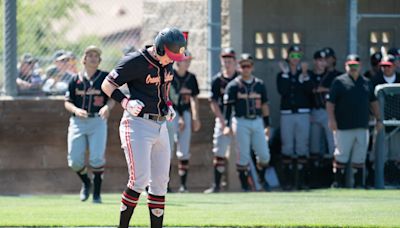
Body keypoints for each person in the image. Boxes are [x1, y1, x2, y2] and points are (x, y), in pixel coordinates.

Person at [101, 27, 186, 228]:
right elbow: (107, 84)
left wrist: (169, 105)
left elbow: (162, 90)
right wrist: (125, 102)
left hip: (161, 125)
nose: (172, 59)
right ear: (159, 48)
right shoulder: (135, 61)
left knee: (160, 183)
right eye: (171, 54)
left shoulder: (168, 62)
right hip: (137, 124)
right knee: (139, 180)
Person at [64, 46, 115, 203]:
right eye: (90, 55)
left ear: (99, 60)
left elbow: (113, 97)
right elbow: (67, 102)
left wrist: (107, 107)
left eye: (96, 56)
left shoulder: (105, 78)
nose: (93, 58)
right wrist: (76, 110)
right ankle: (87, 182)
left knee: (97, 158)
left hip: (97, 121)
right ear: (84, 59)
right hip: (78, 121)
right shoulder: (74, 79)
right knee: (74, 161)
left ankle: (97, 195)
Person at [327, 54, 383, 188]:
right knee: (341, 155)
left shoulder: (366, 82)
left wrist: (378, 119)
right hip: (343, 126)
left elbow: (373, 102)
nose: (353, 68)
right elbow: (330, 103)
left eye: (355, 65)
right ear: (346, 65)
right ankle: (337, 183)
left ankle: (358, 185)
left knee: (360, 157)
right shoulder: (339, 81)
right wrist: (331, 120)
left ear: (360, 66)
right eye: (350, 65)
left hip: (362, 125)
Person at [223, 53, 271, 191]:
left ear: (252, 67)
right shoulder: (233, 86)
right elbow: (228, 108)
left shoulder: (259, 84)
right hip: (240, 121)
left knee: (264, 155)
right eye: (243, 65)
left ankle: (262, 180)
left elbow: (265, 106)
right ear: (239, 67)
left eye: (248, 65)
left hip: (257, 121)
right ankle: (245, 187)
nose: (246, 68)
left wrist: (267, 125)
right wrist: (227, 125)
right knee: (242, 156)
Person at [276, 45, 313, 190]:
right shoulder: (282, 74)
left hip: (303, 113)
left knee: (302, 146)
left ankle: (302, 181)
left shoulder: (305, 73)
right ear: (288, 57)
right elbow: (282, 91)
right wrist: (286, 74)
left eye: (298, 56)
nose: (295, 59)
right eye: (292, 56)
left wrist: (303, 75)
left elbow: (309, 90)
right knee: (287, 146)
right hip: (287, 114)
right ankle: (288, 182)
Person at [204, 48, 239, 194]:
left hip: (238, 118)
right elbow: (213, 102)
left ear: (234, 61)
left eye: (230, 59)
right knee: (219, 152)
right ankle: (217, 185)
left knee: (242, 152)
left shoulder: (239, 78)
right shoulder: (217, 80)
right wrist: (223, 122)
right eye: (225, 59)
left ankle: (248, 185)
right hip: (223, 118)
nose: (227, 62)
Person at [168, 50, 201, 193]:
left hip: (186, 114)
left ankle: (183, 186)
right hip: (171, 114)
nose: (187, 63)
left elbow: (194, 98)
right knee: (168, 150)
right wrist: (179, 116)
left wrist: (195, 117)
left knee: (184, 150)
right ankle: (165, 185)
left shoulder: (191, 78)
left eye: (189, 61)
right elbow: (171, 98)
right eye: (185, 60)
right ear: (178, 61)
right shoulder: (170, 76)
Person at [371, 54, 400, 186]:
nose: (386, 69)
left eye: (389, 66)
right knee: (381, 153)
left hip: (398, 122)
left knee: (395, 153)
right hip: (381, 122)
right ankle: (380, 180)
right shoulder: (375, 80)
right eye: (383, 66)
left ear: (395, 66)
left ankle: (395, 179)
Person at [308, 50, 335, 188]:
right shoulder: (309, 75)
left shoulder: (332, 75)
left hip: (327, 112)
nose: (322, 63)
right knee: (314, 146)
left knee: (331, 146)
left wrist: (324, 89)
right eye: (319, 60)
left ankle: (332, 179)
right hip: (313, 111)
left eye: (325, 60)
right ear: (315, 61)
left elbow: (336, 92)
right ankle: (314, 180)